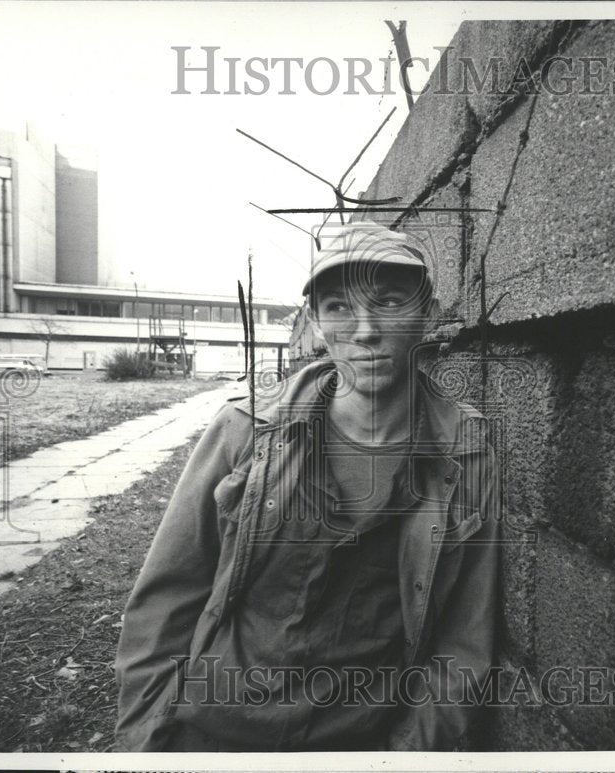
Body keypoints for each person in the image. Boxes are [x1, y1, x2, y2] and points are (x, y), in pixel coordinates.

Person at [114, 222, 501, 752]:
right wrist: (146, 740)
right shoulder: (247, 431)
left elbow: (464, 642)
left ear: (428, 315)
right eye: (339, 307)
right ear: (316, 323)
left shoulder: (465, 452)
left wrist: (405, 756)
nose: (365, 330)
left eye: (389, 301)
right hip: (209, 735)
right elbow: (167, 598)